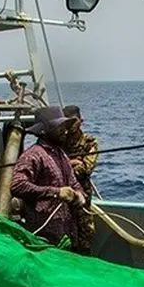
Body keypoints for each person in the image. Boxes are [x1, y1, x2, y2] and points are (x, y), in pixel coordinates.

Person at [9, 105, 89, 251]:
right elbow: (17, 185)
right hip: (43, 238)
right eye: (60, 127)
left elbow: (74, 182)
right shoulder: (33, 155)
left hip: (67, 234)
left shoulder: (61, 154)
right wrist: (56, 192)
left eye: (65, 126)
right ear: (45, 130)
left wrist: (79, 194)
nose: (65, 131)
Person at [60, 105, 99, 253]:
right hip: (61, 196)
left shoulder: (89, 142)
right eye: (67, 121)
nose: (71, 125)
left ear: (81, 120)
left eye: (73, 121)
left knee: (84, 234)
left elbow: (85, 168)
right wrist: (71, 162)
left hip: (81, 196)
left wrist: (64, 166)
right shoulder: (58, 142)